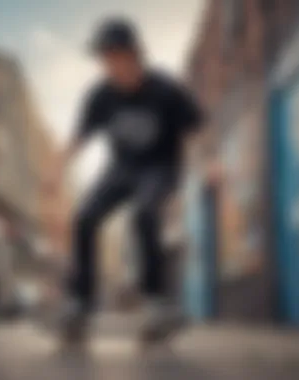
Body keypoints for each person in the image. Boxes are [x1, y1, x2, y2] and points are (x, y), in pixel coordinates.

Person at [59, 18, 205, 344]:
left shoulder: (166, 89)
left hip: (159, 167)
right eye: (104, 60)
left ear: (135, 55)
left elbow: (193, 131)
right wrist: (60, 163)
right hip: (120, 169)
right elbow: (80, 137)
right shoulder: (99, 95)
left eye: (115, 58)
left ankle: (155, 301)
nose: (109, 67)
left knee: (144, 213)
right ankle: (80, 302)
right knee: (84, 217)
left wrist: (206, 165)